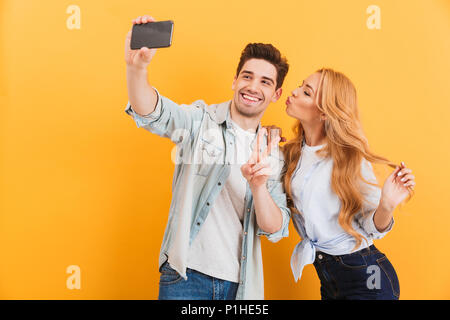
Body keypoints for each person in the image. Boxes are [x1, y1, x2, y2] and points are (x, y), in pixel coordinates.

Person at [124, 15, 291, 300]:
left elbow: (275, 227)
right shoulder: (201, 121)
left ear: (276, 94)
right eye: (247, 76)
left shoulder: (272, 151)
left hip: (241, 286)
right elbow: (154, 113)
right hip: (186, 275)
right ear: (234, 80)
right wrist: (136, 68)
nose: (253, 87)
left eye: (265, 82)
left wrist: (259, 186)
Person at [282, 68, 415, 299]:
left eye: (306, 92)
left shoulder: (349, 158)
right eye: (300, 86)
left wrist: (386, 205)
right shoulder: (293, 153)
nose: (294, 91)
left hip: (367, 276)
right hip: (328, 277)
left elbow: (372, 228)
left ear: (324, 113)